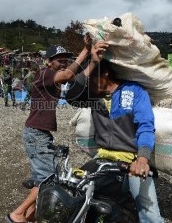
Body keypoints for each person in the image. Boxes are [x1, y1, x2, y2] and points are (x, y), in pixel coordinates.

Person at [66, 56, 164, 223]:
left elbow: (145, 126)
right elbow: (71, 96)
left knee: (150, 213)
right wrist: (92, 63)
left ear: (105, 74)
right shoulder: (93, 98)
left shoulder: (134, 91)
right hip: (103, 158)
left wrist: (142, 159)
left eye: (92, 79)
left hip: (131, 159)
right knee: (76, 194)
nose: (88, 85)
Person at [6, 41, 96, 223]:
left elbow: (77, 78)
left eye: (65, 59)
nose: (63, 62)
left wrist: (94, 60)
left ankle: (30, 216)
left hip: (41, 134)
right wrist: (86, 50)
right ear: (48, 62)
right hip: (36, 134)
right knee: (48, 181)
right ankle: (17, 214)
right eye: (58, 60)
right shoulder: (44, 73)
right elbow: (70, 73)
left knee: (47, 178)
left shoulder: (54, 77)